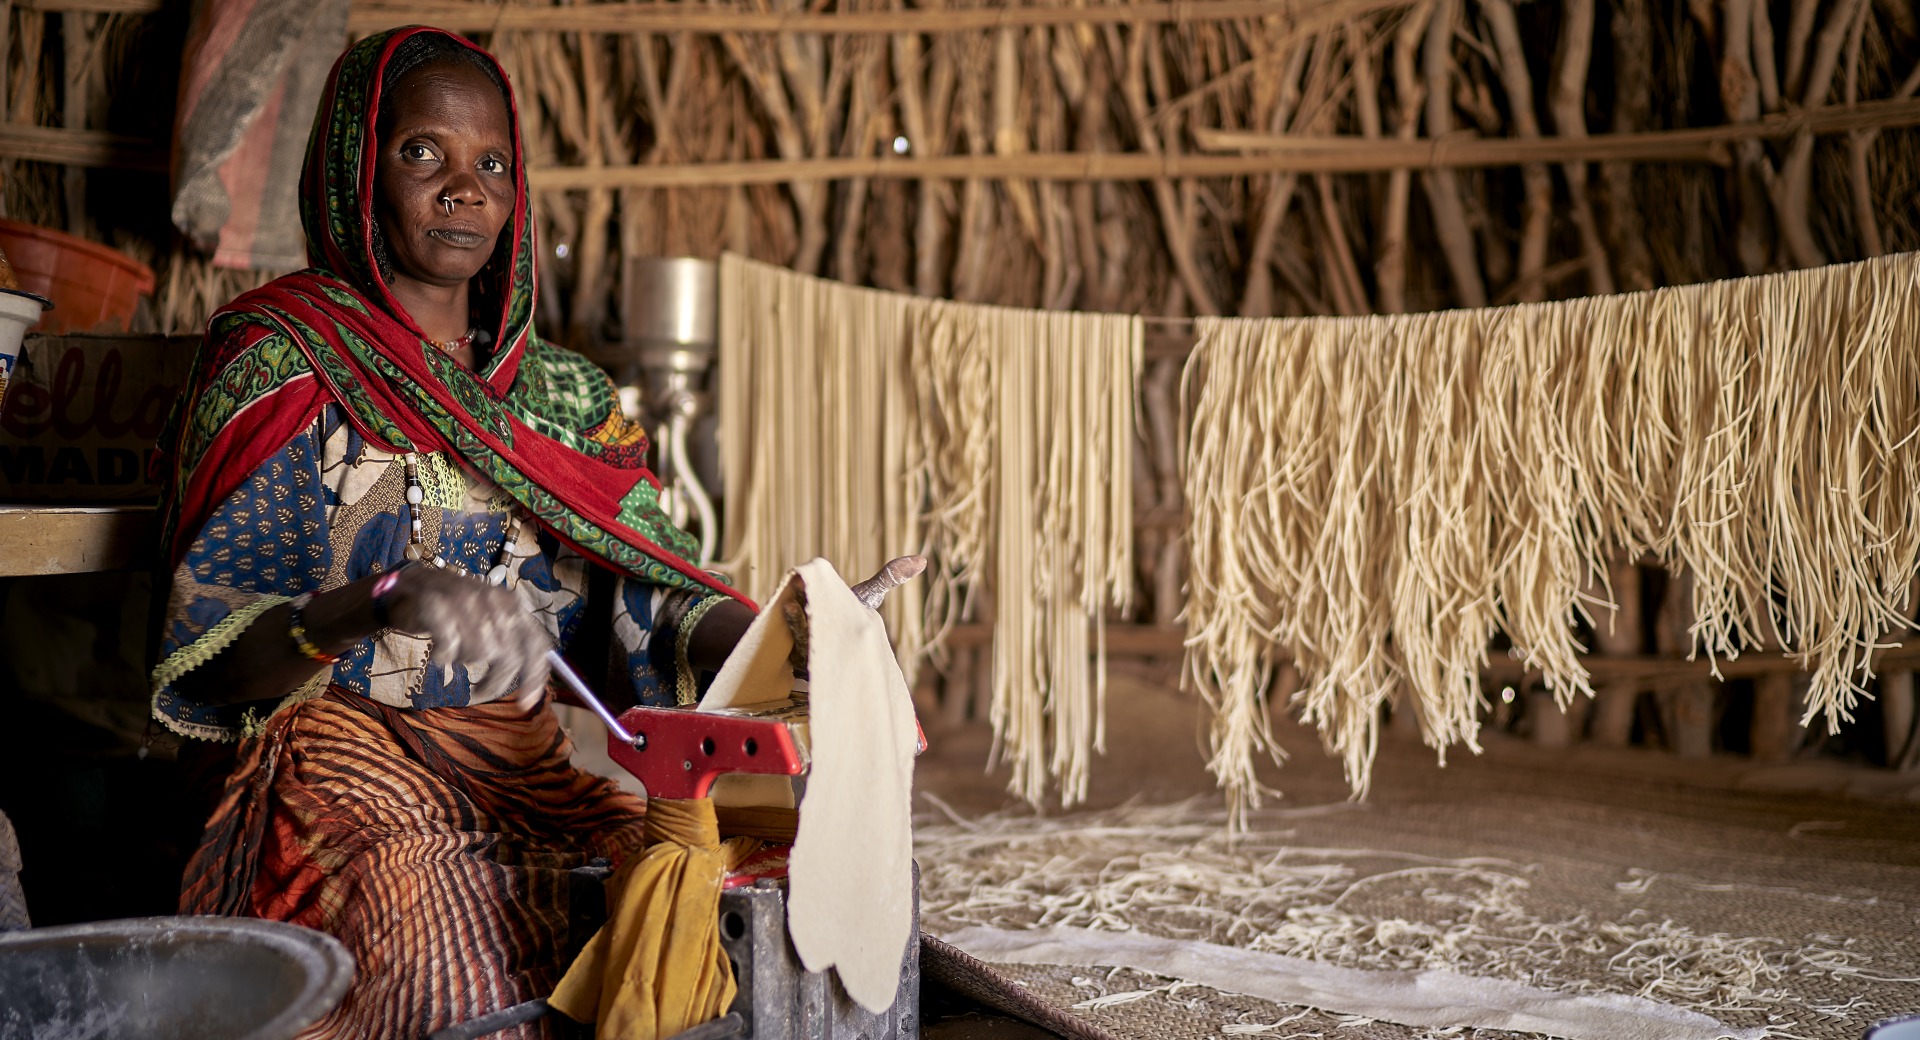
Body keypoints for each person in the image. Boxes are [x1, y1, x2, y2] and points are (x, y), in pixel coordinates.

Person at [151, 26, 815, 1037]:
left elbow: (648, 598)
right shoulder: (279, 362)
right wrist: (381, 598)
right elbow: (206, 665)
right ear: (354, 172)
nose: (465, 189)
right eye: (424, 153)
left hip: (522, 768)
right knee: (437, 937)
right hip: (335, 768)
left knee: (688, 886)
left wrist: (787, 632)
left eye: (492, 164)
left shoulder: (565, 399)